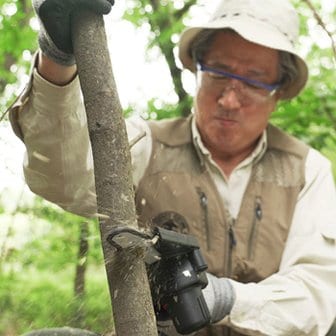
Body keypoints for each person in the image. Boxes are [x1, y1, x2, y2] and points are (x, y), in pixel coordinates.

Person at [9, 0, 336, 335]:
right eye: (219, 72)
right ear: (197, 68)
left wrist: (226, 298)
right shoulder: (144, 145)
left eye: (253, 82)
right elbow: (61, 177)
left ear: (279, 91)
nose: (229, 100)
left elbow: (318, 296)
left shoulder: (307, 171)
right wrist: (57, 59)